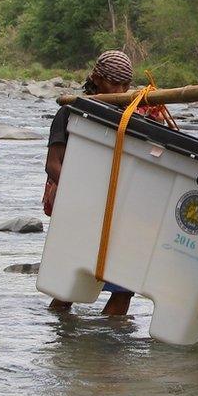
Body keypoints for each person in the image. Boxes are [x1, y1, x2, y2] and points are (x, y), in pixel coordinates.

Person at [44, 50, 145, 316]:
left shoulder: (130, 117)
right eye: (115, 85)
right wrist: (84, 197)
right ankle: (62, 336)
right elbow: (53, 164)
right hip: (79, 209)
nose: (121, 91)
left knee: (124, 286)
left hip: (118, 210)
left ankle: (107, 349)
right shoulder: (71, 112)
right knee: (69, 286)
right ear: (97, 79)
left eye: (125, 86)